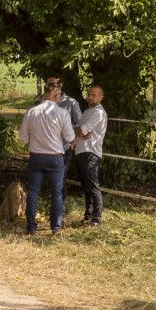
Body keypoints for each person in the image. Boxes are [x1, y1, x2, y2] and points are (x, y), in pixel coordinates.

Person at [19, 84, 76, 235]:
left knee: (33, 192)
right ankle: (56, 227)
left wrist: (33, 146)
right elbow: (70, 136)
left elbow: (23, 136)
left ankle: (31, 227)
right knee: (56, 192)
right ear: (57, 96)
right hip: (55, 157)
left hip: (36, 156)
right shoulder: (62, 113)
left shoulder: (31, 112)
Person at [46, 74, 83, 214]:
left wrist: (72, 142)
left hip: (63, 148)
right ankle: (54, 205)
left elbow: (80, 124)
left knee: (60, 178)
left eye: (52, 84)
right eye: (47, 84)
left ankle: (61, 209)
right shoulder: (43, 103)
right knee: (51, 178)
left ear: (60, 85)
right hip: (47, 148)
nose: (48, 87)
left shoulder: (71, 103)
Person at [74, 85, 107, 227]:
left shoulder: (98, 113)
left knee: (93, 186)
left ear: (101, 97)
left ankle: (96, 218)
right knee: (86, 186)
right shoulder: (88, 111)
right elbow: (77, 129)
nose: (90, 97)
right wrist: (78, 131)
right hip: (81, 151)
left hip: (90, 153)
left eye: (94, 95)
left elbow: (81, 130)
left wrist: (78, 131)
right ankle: (88, 215)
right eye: (89, 94)